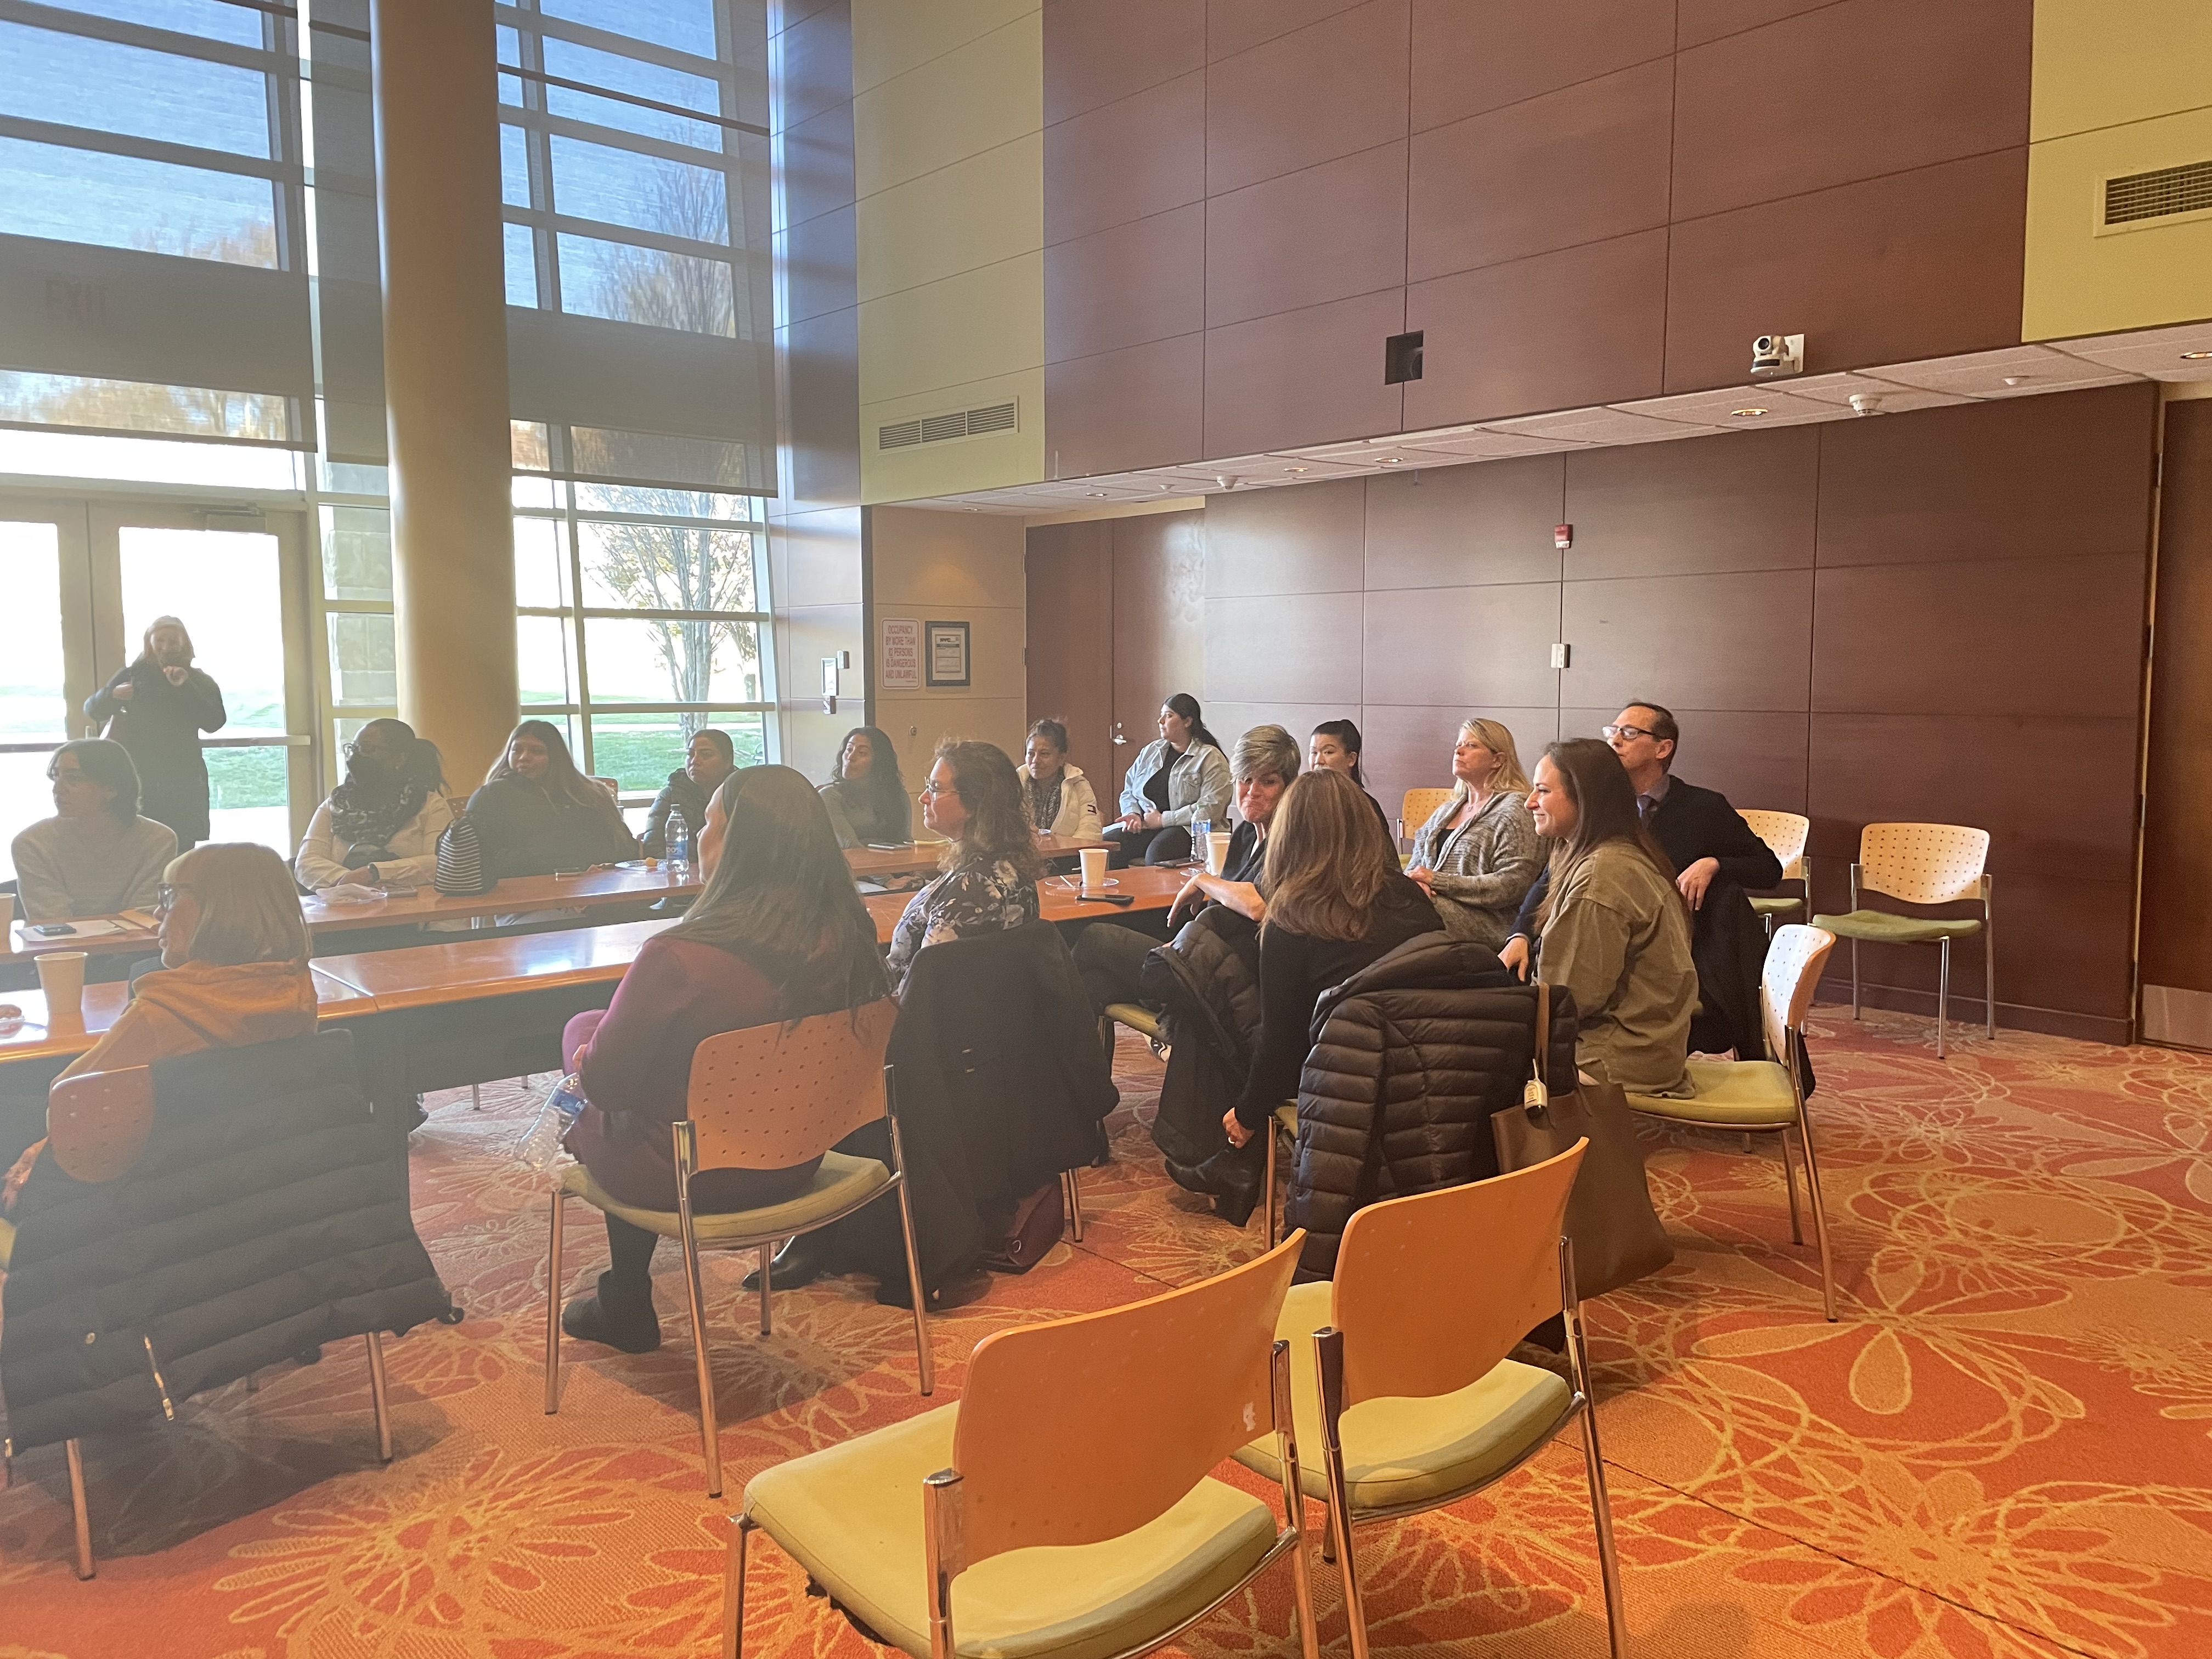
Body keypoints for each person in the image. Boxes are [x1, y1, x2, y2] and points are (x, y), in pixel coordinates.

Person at [556, 765, 891, 1353]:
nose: (699, 839)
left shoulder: (678, 958)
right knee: (633, 1061)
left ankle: (627, 1299)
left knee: (585, 1043)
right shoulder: (852, 935)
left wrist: (584, 1053)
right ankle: (625, 1296)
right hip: (798, 1159)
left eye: (710, 825)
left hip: (690, 1180)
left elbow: (605, 1088)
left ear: (739, 843)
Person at [1169, 769, 1445, 1222]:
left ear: (1289, 834)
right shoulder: (1410, 898)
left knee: (1226, 1021)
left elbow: (1283, 1048)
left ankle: (1231, 1161)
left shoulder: (1290, 918)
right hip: (1427, 1067)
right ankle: (1231, 1168)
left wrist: (1248, 1114)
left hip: (1345, 1086)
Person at [1, 843, 320, 1216]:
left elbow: (68, 1105)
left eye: (169, 897)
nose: (157, 912)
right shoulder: (297, 996)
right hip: (241, 1184)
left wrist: (34, 1153)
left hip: (124, 1197)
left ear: (216, 911)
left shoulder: (164, 1013)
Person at [1500, 699, 1781, 977]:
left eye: (1630, 733)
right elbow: (1553, 877)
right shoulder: (1598, 808)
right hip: (1604, 943)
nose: (1616, 741)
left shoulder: (1704, 807)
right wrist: (1520, 934)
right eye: (1612, 732)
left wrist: (1714, 864)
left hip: (1680, 956)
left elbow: (1769, 870)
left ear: (1663, 748)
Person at [1074, 724, 1298, 1017]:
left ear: (1289, 788)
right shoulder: (1245, 836)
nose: (1252, 792)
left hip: (1229, 982)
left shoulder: (1291, 842)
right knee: (1094, 986)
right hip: (1200, 960)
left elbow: (1259, 906)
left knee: (1096, 938)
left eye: (1267, 782)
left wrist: (1204, 880)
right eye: (1245, 779)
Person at [1526, 738, 1697, 1095]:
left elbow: (1570, 998)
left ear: (1584, 798)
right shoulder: (1603, 853)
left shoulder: (1603, 874)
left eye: (1542, 790)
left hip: (1618, 1053)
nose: (1530, 802)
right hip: (1643, 1043)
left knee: (1467, 1058)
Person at [883, 741, 1042, 997]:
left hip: (918, 1026)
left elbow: (919, 994)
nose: (924, 798)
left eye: (935, 789)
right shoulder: (1009, 869)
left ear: (975, 803)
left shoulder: (972, 889)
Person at [83, 615, 226, 850]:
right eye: (159, 640)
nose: (166, 646)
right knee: (135, 849)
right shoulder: (131, 675)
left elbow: (214, 722)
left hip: (182, 781)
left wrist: (185, 687)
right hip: (137, 778)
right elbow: (92, 710)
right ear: (149, 643)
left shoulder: (198, 680)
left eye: (173, 640)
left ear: (185, 644)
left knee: (180, 853)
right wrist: (113, 696)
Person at [1405, 718, 1546, 949]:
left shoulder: (1516, 809)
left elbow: (1512, 885)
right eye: (1458, 744)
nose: (1458, 751)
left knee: (1403, 912)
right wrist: (1415, 886)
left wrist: (1436, 881)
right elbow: (1415, 869)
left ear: (1498, 760)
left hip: (1491, 925)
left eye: (1471, 746)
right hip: (1432, 911)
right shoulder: (1445, 811)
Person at [11, 739, 177, 921]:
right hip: (63, 948)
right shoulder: (32, 844)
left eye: (74, 778)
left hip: (135, 947)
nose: (57, 789)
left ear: (111, 789)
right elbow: (53, 924)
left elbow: (143, 918)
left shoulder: (157, 840)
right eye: (56, 776)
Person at [464, 720, 639, 879]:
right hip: (525, 896)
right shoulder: (491, 797)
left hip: (599, 887)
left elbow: (624, 848)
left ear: (556, 757)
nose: (524, 757)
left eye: (536, 751)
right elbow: (483, 861)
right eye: (517, 750)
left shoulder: (593, 794)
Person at [294, 719, 453, 891]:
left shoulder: (430, 805)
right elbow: (306, 862)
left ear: (400, 757)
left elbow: (441, 862)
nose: (356, 757)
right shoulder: (337, 805)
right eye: (353, 749)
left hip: (409, 910)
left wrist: (375, 873)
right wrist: (349, 881)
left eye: (367, 750)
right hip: (344, 907)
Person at [1105, 692, 1232, 866]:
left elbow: (1210, 808)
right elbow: (1129, 789)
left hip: (1187, 829)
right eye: (1161, 715)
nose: (1161, 721)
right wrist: (1132, 813)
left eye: (1169, 716)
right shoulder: (1151, 751)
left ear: (1187, 722)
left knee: (1159, 854)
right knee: (1108, 846)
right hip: (1147, 825)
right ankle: (1117, 893)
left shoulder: (1210, 758)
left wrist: (1164, 820)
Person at [641, 728, 735, 859]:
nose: (695, 761)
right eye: (690, 754)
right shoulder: (671, 795)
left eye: (706, 755)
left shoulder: (741, 793)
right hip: (679, 873)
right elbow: (652, 848)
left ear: (728, 761)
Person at [819, 725, 912, 848]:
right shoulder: (830, 796)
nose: (851, 757)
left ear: (879, 761)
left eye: (862, 753)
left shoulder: (898, 795)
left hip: (895, 864)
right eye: (849, 749)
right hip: (853, 866)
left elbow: (906, 843)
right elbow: (850, 846)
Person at [1016, 718, 1103, 837]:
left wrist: (1060, 850)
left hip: (1068, 854)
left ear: (1061, 758)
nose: (1035, 761)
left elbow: (1090, 832)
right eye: (1031, 754)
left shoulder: (1078, 785)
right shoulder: (1015, 783)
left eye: (1044, 754)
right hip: (1024, 854)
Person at [1307, 718, 1391, 834]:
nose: (1318, 761)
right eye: (1314, 752)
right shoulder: (1301, 800)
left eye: (1328, 752)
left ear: (1352, 759)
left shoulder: (1367, 807)